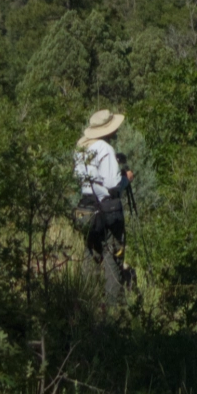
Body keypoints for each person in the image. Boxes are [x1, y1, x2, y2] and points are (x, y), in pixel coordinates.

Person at [73, 108, 133, 305]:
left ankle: (85, 301)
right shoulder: (105, 149)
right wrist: (127, 179)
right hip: (107, 210)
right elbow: (112, 184)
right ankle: (114, 309)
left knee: (90, 254)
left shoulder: (81, 147)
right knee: (112, 258)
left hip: (87, 208)